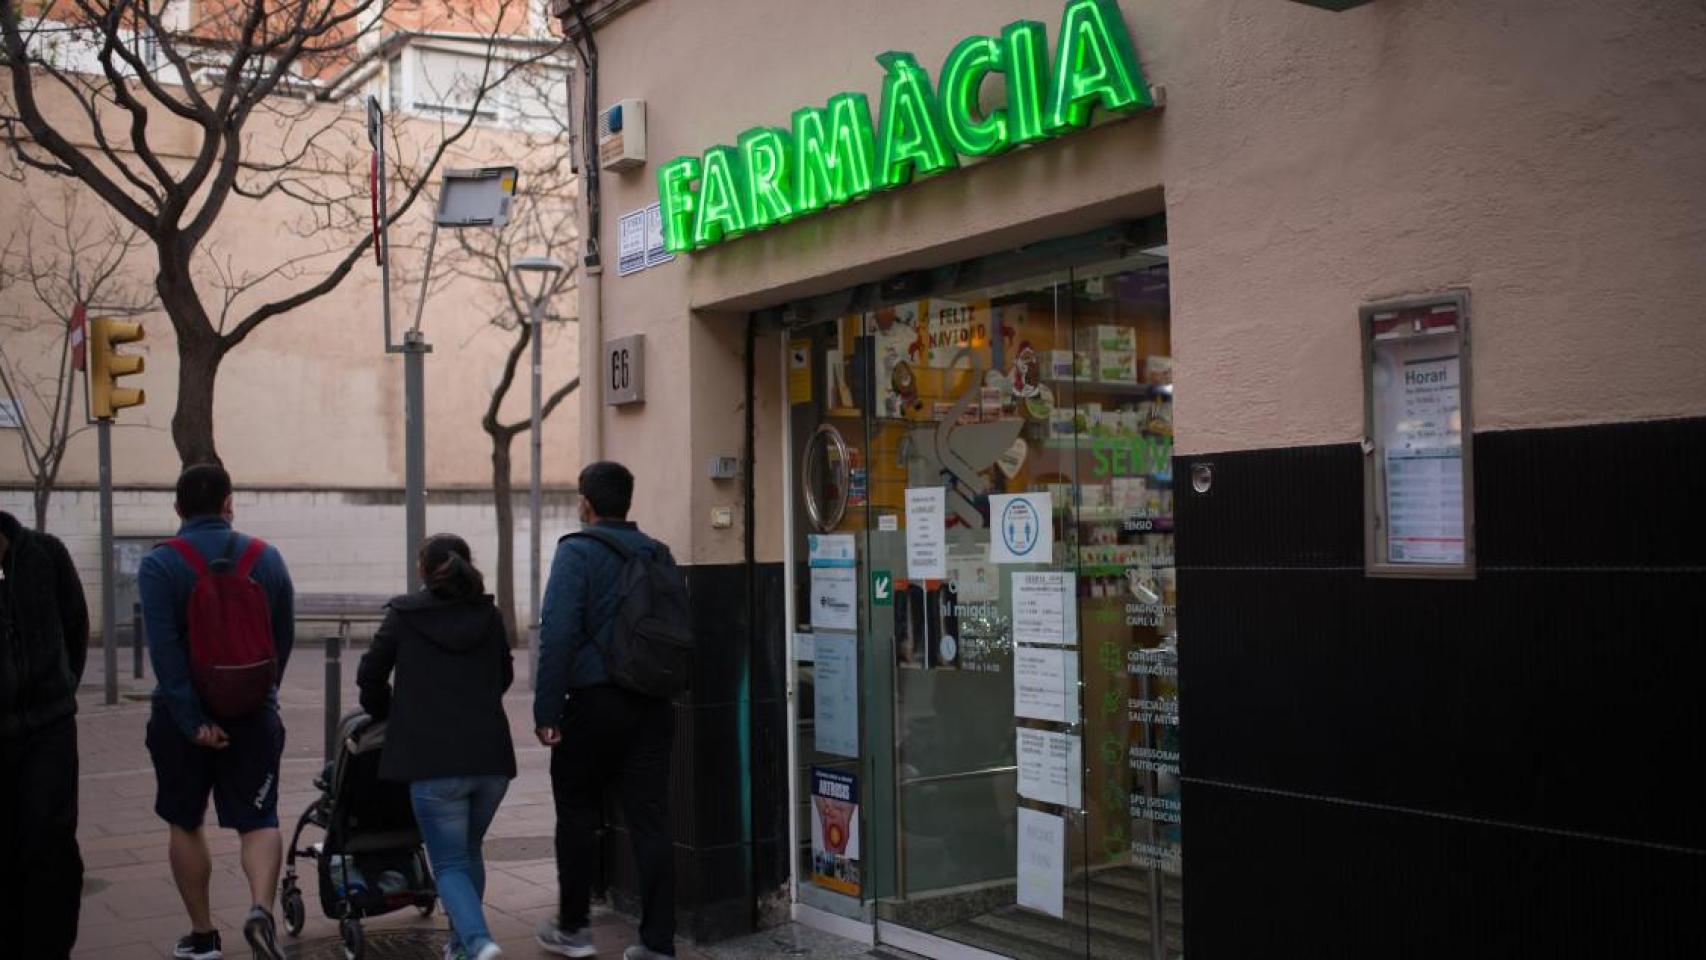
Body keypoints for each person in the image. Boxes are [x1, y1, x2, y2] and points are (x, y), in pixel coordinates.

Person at [140, 465, 294, 960]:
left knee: (185, 821)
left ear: (178, 509)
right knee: (260, 819)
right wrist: (261, 696)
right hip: (252, 715)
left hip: (183, 723)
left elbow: (164, 653)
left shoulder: (162, 564)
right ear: (229, 502)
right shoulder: (265, 558)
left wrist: (193, 722)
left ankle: (204, 935)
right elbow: (282, 638)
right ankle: (259, 913)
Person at [535, 461, 678, 960]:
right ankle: (658, 942)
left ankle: (573, 928)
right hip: (652, 703)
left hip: (591, 703)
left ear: (586, 502)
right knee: (652, 823)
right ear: (627, 502)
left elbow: (557, 633)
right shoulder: (658, 553)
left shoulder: (577, 553)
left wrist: (546, 710)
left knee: (576, 814)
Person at [357, 534, 515, 960]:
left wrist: (391, 713)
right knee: (467, 851)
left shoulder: (404, 616)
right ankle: (461, 946)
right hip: (490, 760)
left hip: (433, 762)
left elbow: (370, 676)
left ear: (423, 570)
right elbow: (503, 677)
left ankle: (477, 942)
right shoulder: (489, 615)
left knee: (447, 863)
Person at [0, 509, 89, 959]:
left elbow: (75, 627)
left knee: (50, 847)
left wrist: (59, 691)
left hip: (49, 730)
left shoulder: (45, 554)